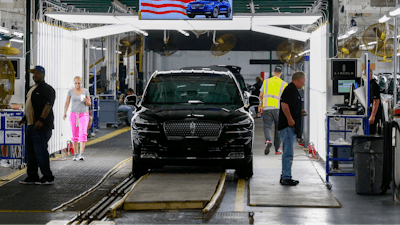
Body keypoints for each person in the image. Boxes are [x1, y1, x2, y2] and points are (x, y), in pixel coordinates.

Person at [19, 65, 55, 185]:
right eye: (33, 73)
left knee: (41, 152)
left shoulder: (47, 89)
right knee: (30, 152)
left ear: (43, 74)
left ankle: (47, 177)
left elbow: (47, 106)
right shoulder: (31, 89)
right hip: (30, 125)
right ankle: (32, 176)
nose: (35, 75)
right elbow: (30, 106)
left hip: (41, 126)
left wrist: (40, 120)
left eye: (37, 73)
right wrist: (24, 119)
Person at [278, 71, 306, 186]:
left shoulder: (294, 90)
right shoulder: (290, 89)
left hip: (289, 127)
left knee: (288, 152)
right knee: (288, 153)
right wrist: (290, 119)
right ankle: (286, 177)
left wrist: (299, 112)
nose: (304, 82)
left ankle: (284, 175)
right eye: (303, 80)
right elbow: (284, 105)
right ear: (298, 79)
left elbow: (290, 105)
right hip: (287, 127)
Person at [258, 66, 288, 155]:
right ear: (281, 73)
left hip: (267, 107)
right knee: (278, 129)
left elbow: (261, 95)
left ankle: (268, 140)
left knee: (267, 126)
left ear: (273, 72)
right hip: (278, 109)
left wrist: (260, 106)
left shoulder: (266, 81)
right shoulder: (284, 84)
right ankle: (278, 148)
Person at [63, 76, 91, 161]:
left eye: (79, 83)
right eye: (76, 83)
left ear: (81, 83)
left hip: (84, 114)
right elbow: (67, 102)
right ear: (74, 83)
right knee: (74, 134)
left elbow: (89, 104)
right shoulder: (71, 91)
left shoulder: (85, 91)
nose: (77, 85)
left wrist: (86, 100)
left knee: (83, 133)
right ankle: (75, 154)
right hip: (74, 114)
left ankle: (81, 153)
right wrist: (65, 112)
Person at [368, 70, 383, 135]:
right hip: (370, 112)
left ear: (370, 75)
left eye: (364, 75)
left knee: (371, 132)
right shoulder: (369, 84)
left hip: (374, 113)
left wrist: (372, 116)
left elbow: (376, 101)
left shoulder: (373, 85)